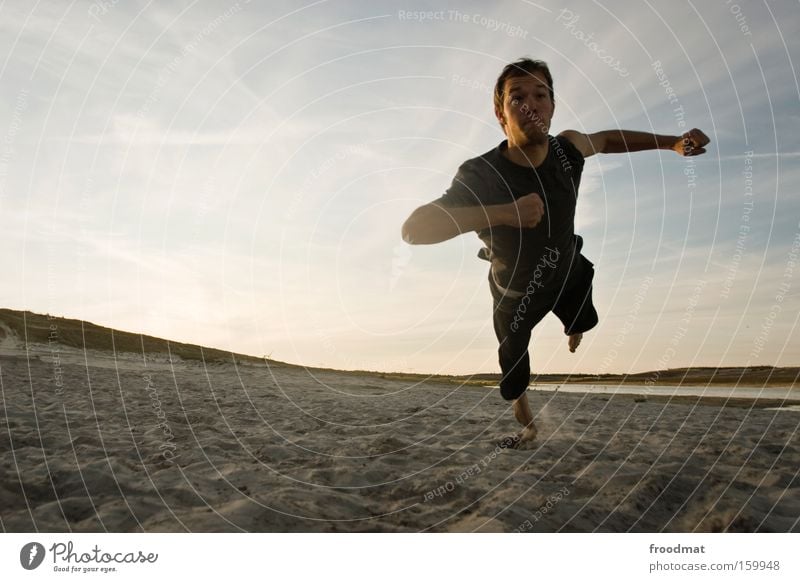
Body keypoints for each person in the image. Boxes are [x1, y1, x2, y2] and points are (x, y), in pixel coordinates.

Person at [401, 58, 710, 448]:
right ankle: (529, 425)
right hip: (515, 296)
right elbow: (414, 229)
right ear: (500, 114)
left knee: (583, 305)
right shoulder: (480, 175)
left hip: (566, 269)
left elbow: (607, 140)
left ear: (552, 106)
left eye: (540, 95)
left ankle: (573, 323)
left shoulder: (568, 149)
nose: (531, 105)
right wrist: (505, 213)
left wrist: (670, 143)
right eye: (518, 97)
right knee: (514, 377)